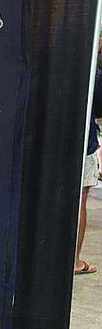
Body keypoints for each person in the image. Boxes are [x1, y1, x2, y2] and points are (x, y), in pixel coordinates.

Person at [75, 28, 102, 274]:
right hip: (83, 145)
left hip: (52, 148)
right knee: (79, 203)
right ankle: (74, 261)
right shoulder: (94, 74)